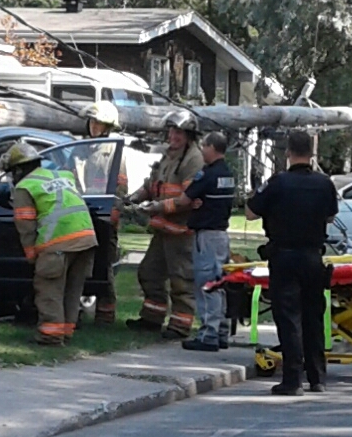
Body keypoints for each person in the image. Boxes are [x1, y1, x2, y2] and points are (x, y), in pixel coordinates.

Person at [245, 130, 338, 396]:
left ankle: (293, 380)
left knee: (289, 318)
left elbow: (250, 212)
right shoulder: (324, 184)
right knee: (313, 317)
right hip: (313, 257)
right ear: (312, 153)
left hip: (284, 257)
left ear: (288, 152)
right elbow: (331, 217)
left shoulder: (278, 183)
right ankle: (317, 378)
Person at [140, 131, 235, 352]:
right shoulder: (227, 174)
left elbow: (184, 199)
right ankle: (220, 332)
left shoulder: (206, 174)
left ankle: (208, 335)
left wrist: (155, 207)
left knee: (206, 284)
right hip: (220, 235)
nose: (203, 150)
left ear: (212, 148)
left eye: (205, 146)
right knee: (218, 283)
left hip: (205, 236)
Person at [2, 142, 98, 346]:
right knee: (72, 290)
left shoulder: (25, 187)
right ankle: (66, 333)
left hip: (58, 242)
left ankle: (51, 336)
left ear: (18, 170)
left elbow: (26, 226)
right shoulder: (63, 176)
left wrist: (32, 256)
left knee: (49, 290)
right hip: (86, 240)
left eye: (12, 173)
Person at [125, 112, 204, 340]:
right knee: (149, 273)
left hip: (182, 232)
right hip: (163, 230)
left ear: (189, 135)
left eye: (178, 132)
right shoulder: (168, 156)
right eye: (171, 131)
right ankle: (152, 318)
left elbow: (188, 198)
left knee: (181, 280)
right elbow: (152, 185)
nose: (173, 136)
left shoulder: (193, 160)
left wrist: (157, 207)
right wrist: (133, 198)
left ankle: (180, 325)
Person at [78, 100, 129, 324]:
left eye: (98, 123)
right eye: (92, 122)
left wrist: (113, 210)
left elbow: (120, 185)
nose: (94, 126)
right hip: (84, 211)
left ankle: (105, 313)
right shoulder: (84, 148)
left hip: (104, 214)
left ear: (108, 126)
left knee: (104, 263)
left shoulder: (114, 150)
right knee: (82, 262)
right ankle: (78, 307)